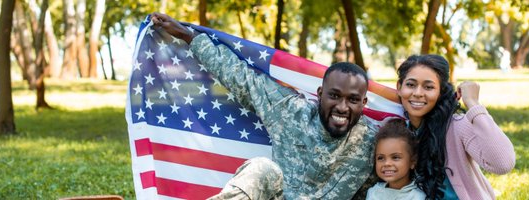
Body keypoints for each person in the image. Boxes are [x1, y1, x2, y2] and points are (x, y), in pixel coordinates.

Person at [151, 13, 380, 199]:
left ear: (364, 103)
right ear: (320, 94)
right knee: (263, 168)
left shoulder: (374, 142)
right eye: (334, 96)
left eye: (352, 100)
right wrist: (188, 36)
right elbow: (240, 77)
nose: (342, 107)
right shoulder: (291, 111)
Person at [396, 54, 516, 199]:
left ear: (441, 92)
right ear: (399, 87)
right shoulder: (396, 127)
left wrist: (473, 103)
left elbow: (503, 164)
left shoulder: (456, 126)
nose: (418, 93)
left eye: (429, 87)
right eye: (410, 85)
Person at [366, 119, 425, 200]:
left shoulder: (417, 197)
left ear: (413, 161)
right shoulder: (373, 192)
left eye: (395, 157)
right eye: (380, 158)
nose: (387, 163)